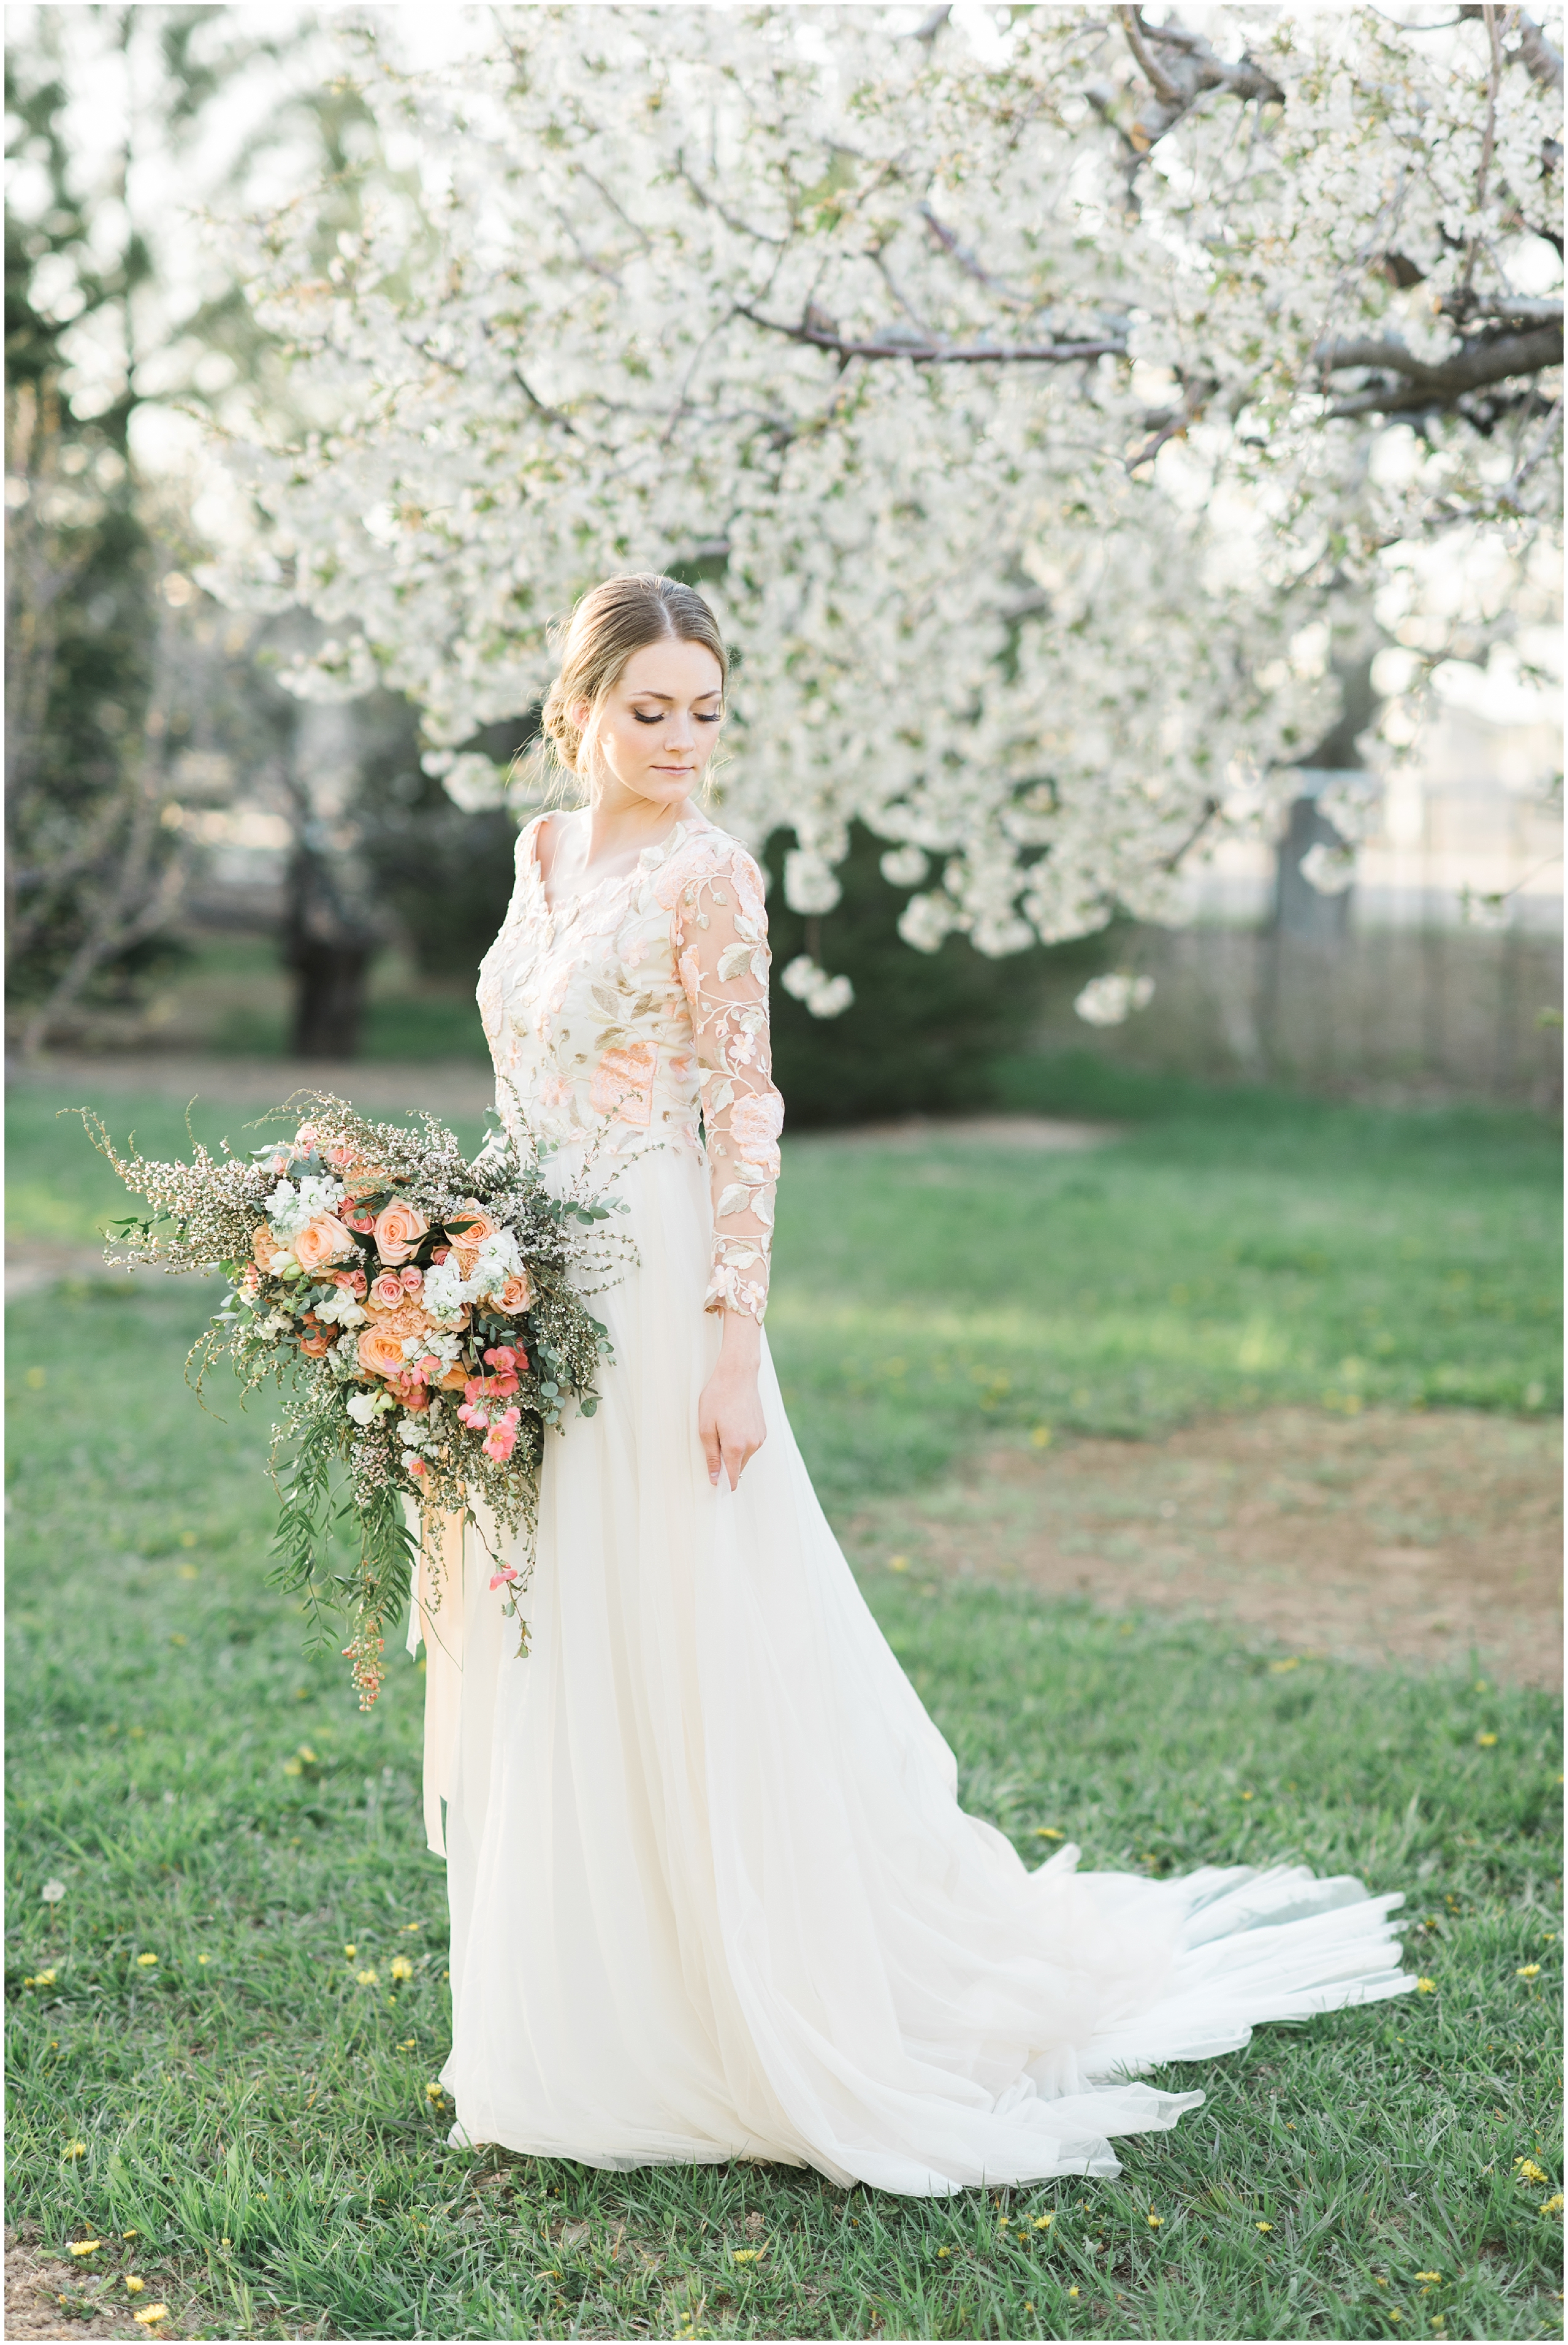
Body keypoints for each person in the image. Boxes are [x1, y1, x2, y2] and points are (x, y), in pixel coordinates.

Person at [408, 572, 1411, 2196]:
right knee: (559, 1625)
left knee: (683, 1624)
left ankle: (739, 1995)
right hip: (532, 1279)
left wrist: (732, 1340)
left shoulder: (708, 877)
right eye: (648, 709)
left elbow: (744, 1112)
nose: (679, 740)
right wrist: (462, 1266)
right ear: (577, 709)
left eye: (703, 712)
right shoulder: (535, 858)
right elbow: (525, 1071)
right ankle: (584, 1986)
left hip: (659, 1286)